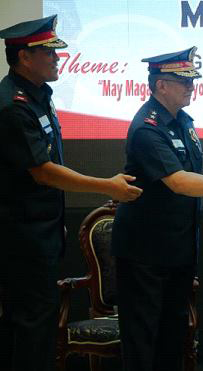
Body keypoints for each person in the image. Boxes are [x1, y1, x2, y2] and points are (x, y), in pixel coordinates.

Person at [0, 15, 142, 371]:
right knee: (31, 325)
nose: (58, 58)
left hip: (40, 231)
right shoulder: (13, 105)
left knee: (36, 322)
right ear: (24, 57)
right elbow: (44, 172)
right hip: (21, 236)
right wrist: (106, 186)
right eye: (49, 52)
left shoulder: (38, 95)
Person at [111, 47, 203, 371]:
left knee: (172, 338)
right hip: (144, 255)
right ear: (161, 85)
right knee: (142, 341)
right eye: (183, 81)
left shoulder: (184, 122)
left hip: (176, 251)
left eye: (192, 80)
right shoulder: (146, 127)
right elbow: (179, 182)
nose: (191, 86)